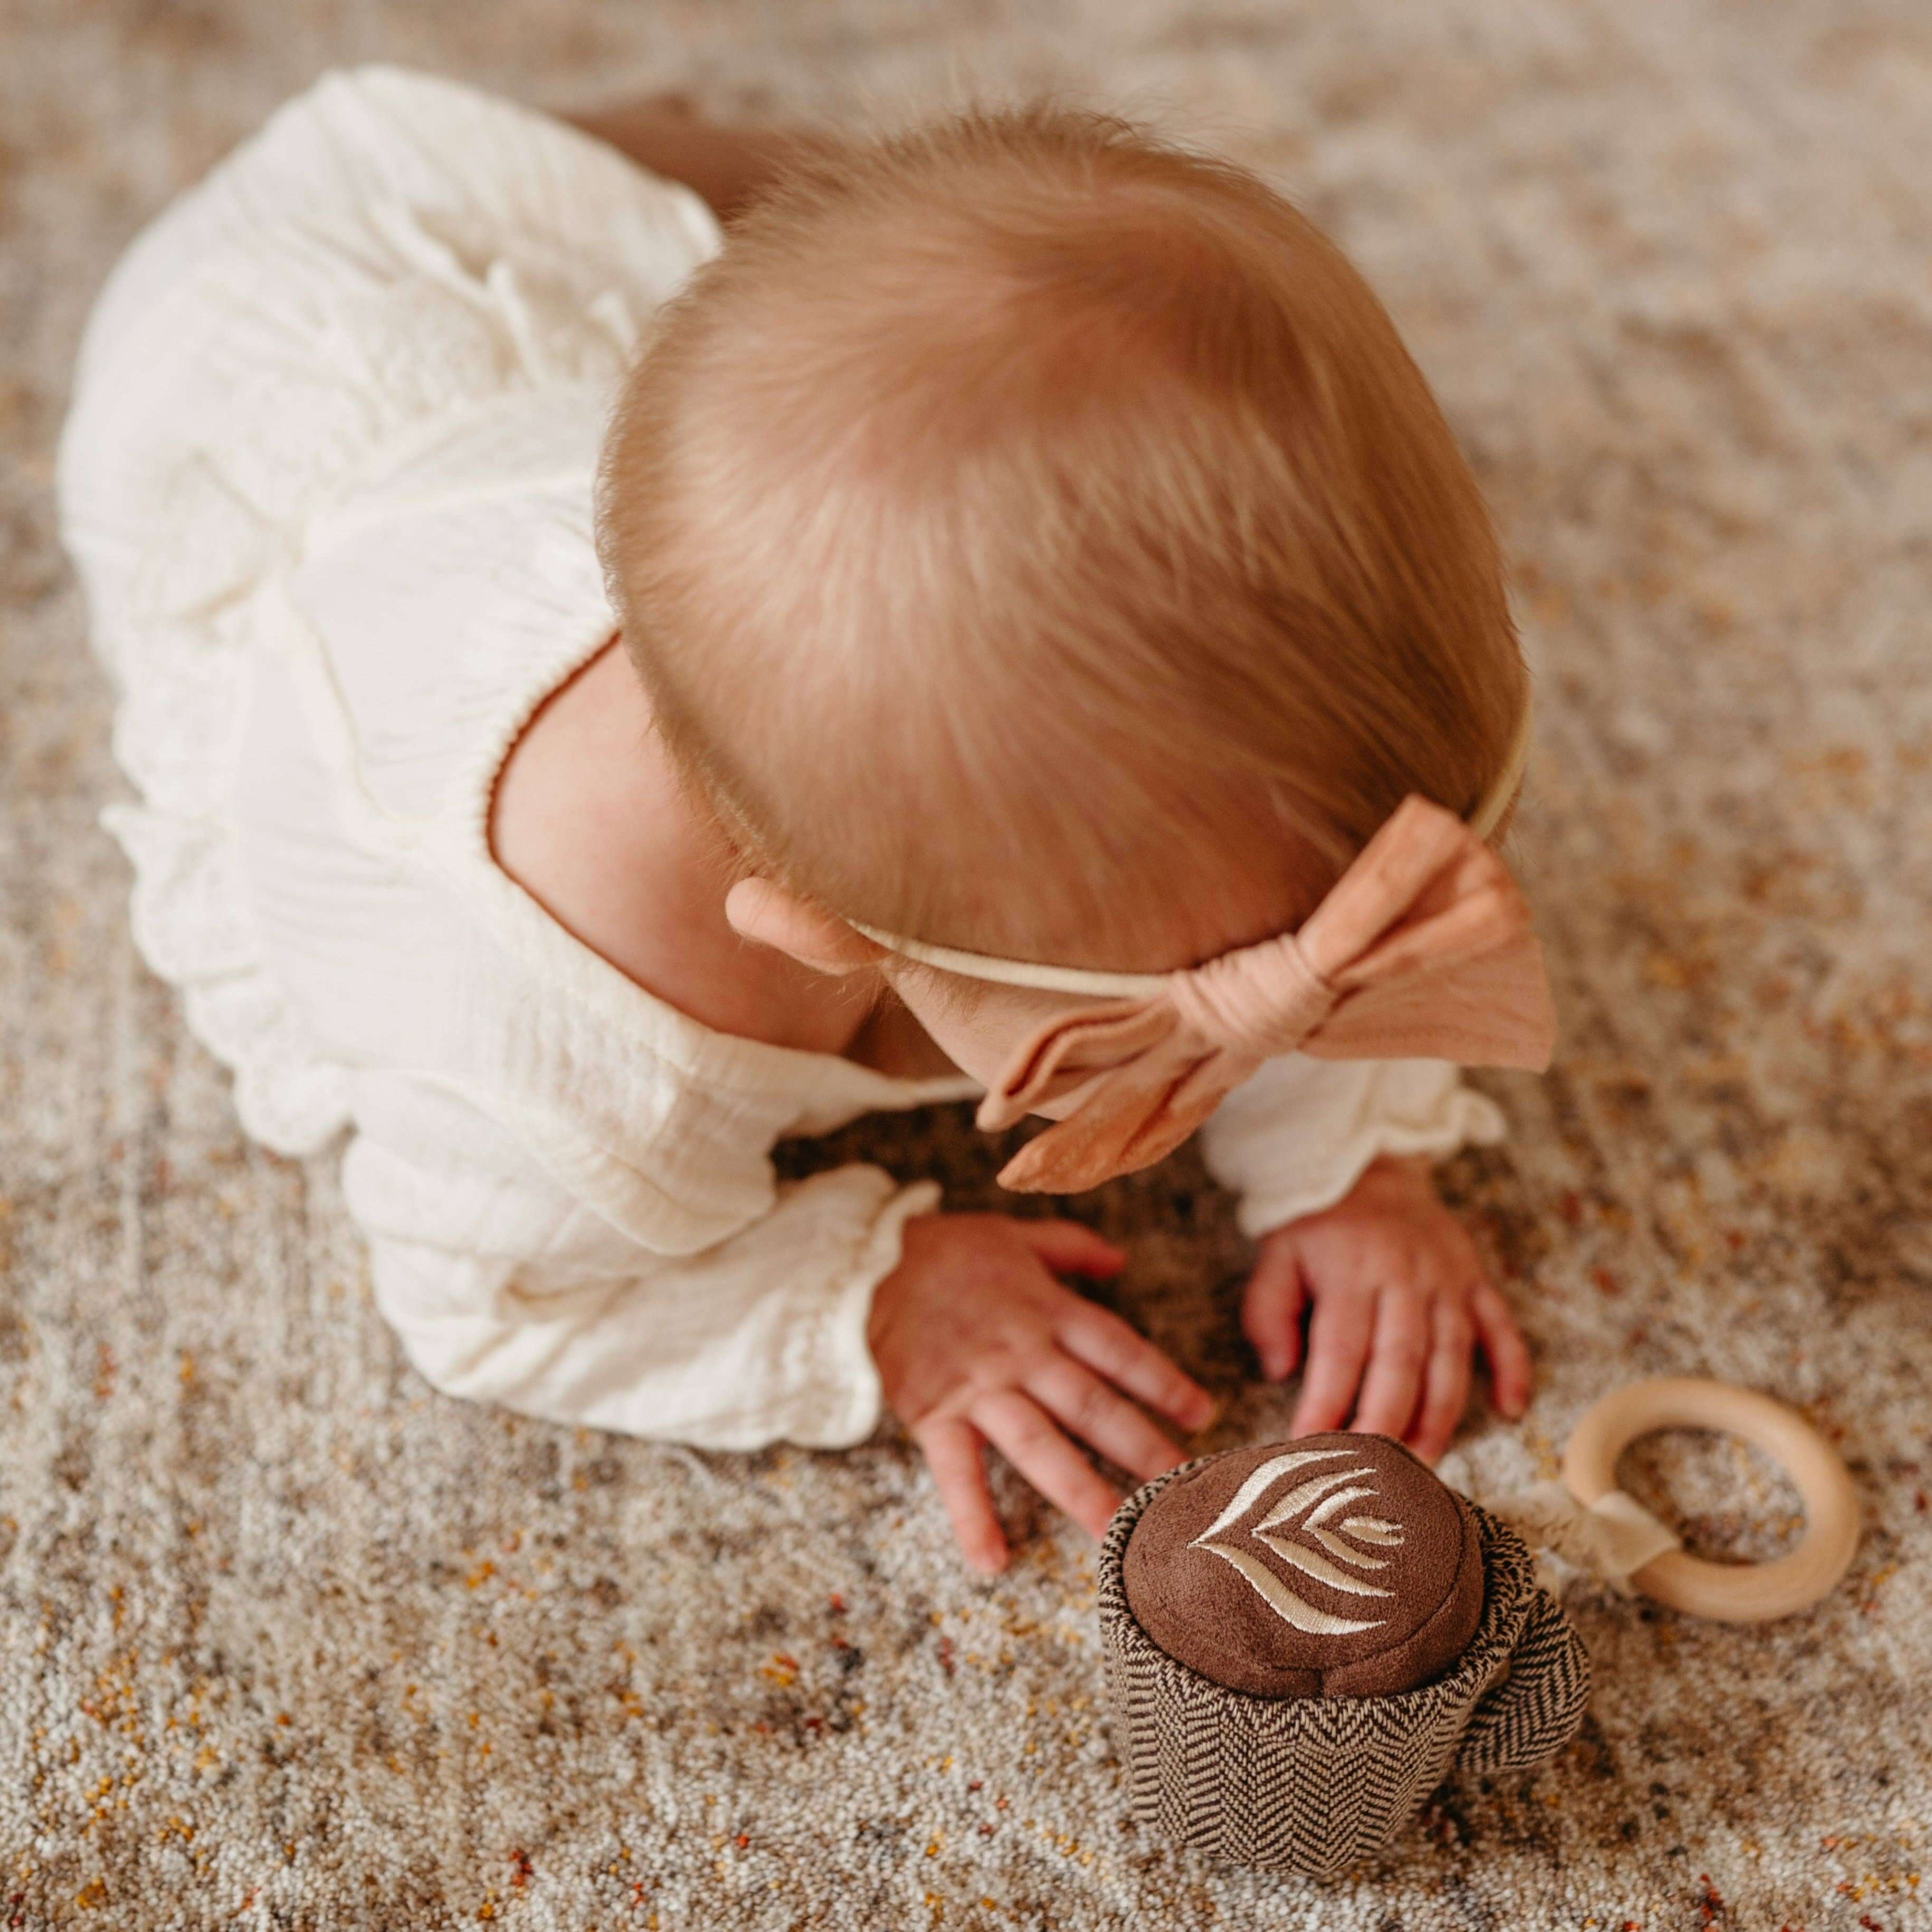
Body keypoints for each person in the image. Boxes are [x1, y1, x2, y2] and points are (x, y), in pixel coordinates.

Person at [58, 69, 1552, 1574]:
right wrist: (875, 1303)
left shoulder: (880, 749)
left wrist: (1353, 1162)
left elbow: (1283, 901)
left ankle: (809, 190)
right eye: (1203, 1015)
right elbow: (503, 1308)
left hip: (524, 353)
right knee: (765, 272)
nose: (1297, 1006)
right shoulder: (561, 1062)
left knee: (963, 326)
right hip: (261, 360)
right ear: (820, 928)